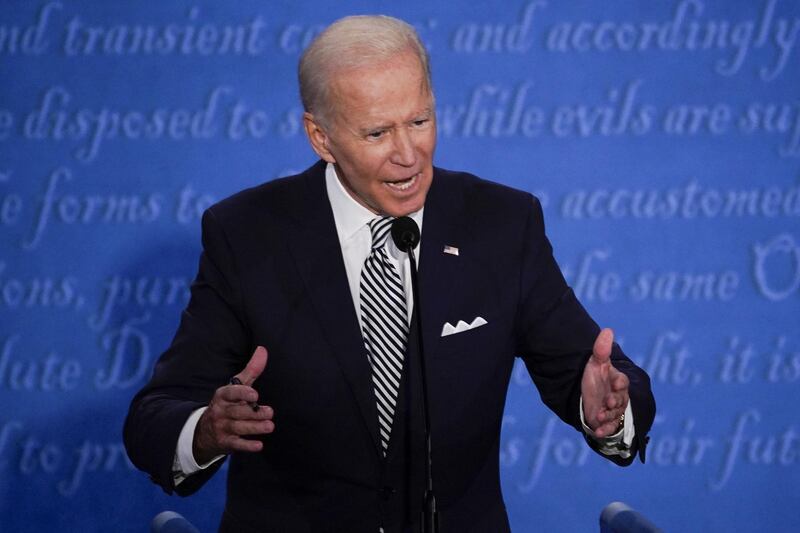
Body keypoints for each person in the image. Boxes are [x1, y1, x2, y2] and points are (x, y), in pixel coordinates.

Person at [124, 14, 655, 533]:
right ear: (321, 138)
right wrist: (207, 432)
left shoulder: (499, 225)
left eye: (420, 121)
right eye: (378, 132)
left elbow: (597, 373)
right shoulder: (248, 235)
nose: (409, 155)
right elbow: (154, 418)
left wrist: (608, 407)